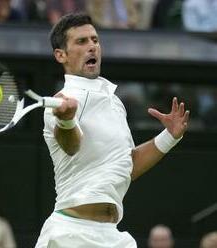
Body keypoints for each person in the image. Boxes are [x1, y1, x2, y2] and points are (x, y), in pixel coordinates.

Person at [35, 12, 190, 247]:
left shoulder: (114, 102)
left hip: (112, 236)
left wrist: (169, 137)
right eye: (81, 41)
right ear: (61, 55)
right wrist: (66, 120)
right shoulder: (61, 102)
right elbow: (71, 145)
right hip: (70, 235)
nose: (92, 47)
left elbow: (126, 166)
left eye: (95, 40)